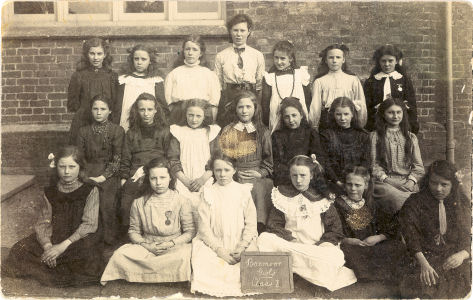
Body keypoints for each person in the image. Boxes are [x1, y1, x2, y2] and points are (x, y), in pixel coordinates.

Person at [2, 146, 103, 287]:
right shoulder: (50, 191)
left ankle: (51, 263)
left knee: (89, 257)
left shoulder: (90, 190)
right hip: (54, 236)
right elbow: (43, 223)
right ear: (56, 167)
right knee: (19, 249)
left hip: (76, 238)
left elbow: (89, 224)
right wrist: (48, 246)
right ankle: (51, 259)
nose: (67, 171)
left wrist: (61, 247)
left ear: (80, 167)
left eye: (72, 167)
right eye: (62, 167)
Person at [257, 155, 357, 291]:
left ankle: (297, 268)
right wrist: (290, 240)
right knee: (264, 239)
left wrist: (324, 244)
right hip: (290, 245)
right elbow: (274, 225)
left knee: (334, 256)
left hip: (316, 248)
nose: (298, 180)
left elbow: (335, 229)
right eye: (294, 175)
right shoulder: (281, 196)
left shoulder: (322, 198)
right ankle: (311, 272)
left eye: (303, 175)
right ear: (290, 175)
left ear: (311, 175)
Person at [100, 158, 195, 284]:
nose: (158, 182)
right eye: (153, 178)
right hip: (147, 245)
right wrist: (147, 245)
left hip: (173, 246)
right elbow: (133, 231)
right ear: (148, 179)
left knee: (186, 255)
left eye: (162, 178)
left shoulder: (182, 201)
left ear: (170, 178)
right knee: (120, 254)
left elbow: (190, 231)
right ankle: (167, 275)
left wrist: (170, 244)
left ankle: (150, 274)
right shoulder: (139, 202)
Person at [399, 160, 471, 298]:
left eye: (444, 184)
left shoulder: (461, 203)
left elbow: (468, 235)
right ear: (428, 181)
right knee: (424, 281)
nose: (438, 189)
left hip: (452, 256)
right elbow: (410, 235)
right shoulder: (415, 202)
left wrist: (462, 254)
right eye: (434, 183)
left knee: (460, 281)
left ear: (453, 185)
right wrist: (423, 264)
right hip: (422, 256)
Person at [191, 154, 258, 297]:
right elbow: (204, 228)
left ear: (234, 170)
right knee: (204, 262)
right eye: (218, 170)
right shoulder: (208, 192)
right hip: (215, 243)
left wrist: (242, 245)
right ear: (213, 172)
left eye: (227, 170)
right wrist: (219, 249)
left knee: (251, 265)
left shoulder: (243, 191)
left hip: (240, 242)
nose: (222, 174)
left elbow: (251, 222)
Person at [335, 166, 405, 282]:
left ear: (366, 185)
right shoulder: (338, 204)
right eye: (349, 184)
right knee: (346, 253)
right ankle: (370, 275)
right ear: (344, 185)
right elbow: (334, 231)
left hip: (372, 245)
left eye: (358, 185)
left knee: (398, 247)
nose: (353, 189)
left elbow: (389, 225)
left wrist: (378, 237)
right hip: (351, 246)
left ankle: (378, 274)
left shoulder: (370, 203)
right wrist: (348, 240)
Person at [218, 90, 273, 231]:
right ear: (235, 109)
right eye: (240, 107)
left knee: (259, 188)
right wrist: (234, 174)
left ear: (255, 109)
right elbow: (224, 158)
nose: (244, 111)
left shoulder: (263, 131)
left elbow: (268, 161)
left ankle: (258, 227)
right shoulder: (228, 130)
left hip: (256, 175)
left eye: (248, 107)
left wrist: (260, 173)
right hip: (234, 174)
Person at [119, 93, 170, 238]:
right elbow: (126, 158)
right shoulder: (131, 133)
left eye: (149, 109)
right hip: (136, 172)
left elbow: (168, 156)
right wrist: (124, 179)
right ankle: (131, 236)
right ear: (137, 111)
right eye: (142, 110)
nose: (146, 113)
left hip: (157, 171)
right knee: (126, 203)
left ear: (155, 110)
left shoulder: (164, 131)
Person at [77, 95, 125, 246]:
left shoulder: (117, 130)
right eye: (95, 109)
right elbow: (79, 157)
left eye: (103, 109)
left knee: (106, 202)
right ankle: (87, 237)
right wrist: (84, 175)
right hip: (88, 171)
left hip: (109, 173)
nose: (99, 112)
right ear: (91, 110)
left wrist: (103, 177)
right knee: (85, 199)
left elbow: (117, 158)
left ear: (110, 111)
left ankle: (108, 239)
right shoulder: (83, 131)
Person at [371, 98, 424, 214]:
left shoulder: (411, 137)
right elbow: (374, 165)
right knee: (398, 199)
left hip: (407, 182)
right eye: (390, 112)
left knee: (418, 201)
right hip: (384, 183)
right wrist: (388, 180)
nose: (395, 116)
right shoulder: (376, 137)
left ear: (403, 114)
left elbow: (419, 167)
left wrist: (411, 182)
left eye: (398, 112)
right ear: (383, 115)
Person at [167, 99, 221, 214]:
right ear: (185, 114)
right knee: (183, 208)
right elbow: (173, 158)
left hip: (206, 178)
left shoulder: (211, 132)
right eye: (190, 115)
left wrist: (203, 179)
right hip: (182, 179)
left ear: (204, 116)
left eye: (198, 116)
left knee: (205, 208)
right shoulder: (178, 131)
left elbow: (217, 158)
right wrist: (185, 181)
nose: (194, 119)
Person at [215, 13, 265, 127]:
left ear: (249, 31)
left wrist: (257, 105)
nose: (238, 34)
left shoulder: (257, 55)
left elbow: (259, 84)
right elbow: (217, 84)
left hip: (250, 97)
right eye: (235, 30)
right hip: (229, 98)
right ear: (230, 31)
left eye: (242, 30)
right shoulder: (221, 56)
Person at [67, 37, 118, 143]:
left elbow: (114, 101)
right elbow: (73, 104)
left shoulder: (112, 76)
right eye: (92, 53)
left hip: (105, 121)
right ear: (86, 54)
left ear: (105, 55)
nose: (96, 57)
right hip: (83, 121)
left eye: (99, 54)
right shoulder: (78, 76)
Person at [308, 44, 366, 131]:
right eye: (331, 57)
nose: (334, 60)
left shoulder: (353, 80)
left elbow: (361, 103)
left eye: (338, 57)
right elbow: (315, 107)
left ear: (343, 60)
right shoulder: (319, 81)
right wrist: (314, 127)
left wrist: (360, 124)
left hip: (348, 121)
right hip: (328, 122)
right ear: (326, 60)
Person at [318, 97, 370, 195]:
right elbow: (325, 162)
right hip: (335, 182)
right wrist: (337, 182)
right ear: (333, 115)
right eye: (338, 114)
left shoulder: (363, 135)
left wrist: (355, 182)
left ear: (352, 114)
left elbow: (366, 162)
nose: (342, 118)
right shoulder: (326, 135)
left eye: (346, 114)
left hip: (357, 183)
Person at [364, 44, 419, 134]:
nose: (387, 64)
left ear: (396, 61)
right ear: (379, 62)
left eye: (390, 61)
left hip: (399, 123)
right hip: (377, 124)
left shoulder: (404, 80)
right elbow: (367, 106)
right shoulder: (372, 81)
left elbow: (412, 104)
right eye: (383, 61)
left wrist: (412, 125)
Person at [165, 35, 221, 123]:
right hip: (179, 116)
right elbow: (169, 103)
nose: (190, 53)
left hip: (202, 117)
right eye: (187, 49)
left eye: (195, 49)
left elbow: (214, 104)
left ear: (201, 53)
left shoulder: (209, 75)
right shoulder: (174, 74)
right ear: (183, 51)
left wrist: (212, 123)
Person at [271, 97, 324, 189]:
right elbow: (277, 162)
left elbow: (318, 157)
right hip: (286, 177)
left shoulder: (311, 133)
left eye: (294, 115)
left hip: (308, 178)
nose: (291, 120)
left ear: (301, 115)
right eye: (287, 117)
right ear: (282, 118)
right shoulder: (277, 136)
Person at [113, 44, 167, 132]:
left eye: (143, 59)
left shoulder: (156, 80)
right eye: (136, 59)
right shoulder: (124, 79)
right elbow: (118, 106)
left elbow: (161, 106)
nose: (139, 62)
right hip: (126, 119)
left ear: (150, 61)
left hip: (148, 120)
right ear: (132, 60)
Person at [261, 40, 311, 134]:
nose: (279, 62)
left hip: (297, 117)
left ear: (291, 58)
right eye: (276, 58)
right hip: (277, 117)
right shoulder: (270, 77)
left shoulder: (300, 74)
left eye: (283, 58)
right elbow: (265, 104)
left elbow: (308, 98)